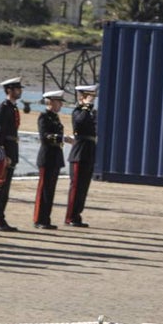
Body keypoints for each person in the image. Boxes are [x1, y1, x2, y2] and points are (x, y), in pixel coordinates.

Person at [0, 77, 24, 232]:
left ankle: (1, 218)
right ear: (9, 90)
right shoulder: (3, 107)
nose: (20, 91)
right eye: (17, 89)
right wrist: (3, 153)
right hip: (6, 151)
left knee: (5, 190)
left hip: (12, 149)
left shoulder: (13, 107)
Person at [65, 84, 98, 226]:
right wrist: (86, 106)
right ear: (82, 97)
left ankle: (77, 214)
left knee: (83, 187)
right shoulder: (78, 111)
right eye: (89, 96)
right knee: (76, 187)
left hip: (89, 152)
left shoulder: (92, 112)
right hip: (79, 153)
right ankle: (70, 216)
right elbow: (79, 123)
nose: (92, 99)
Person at [34, 89, 68, 230]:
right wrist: (62, 138)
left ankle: (46, 218)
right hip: (47, 157)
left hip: (55, 157)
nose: (60, 105)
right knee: (44, 190)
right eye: (58, 102)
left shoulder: (54, 117)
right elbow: (45, 137)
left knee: (50, 190)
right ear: (51, 102)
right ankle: (39, 219)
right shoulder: (44, 117)